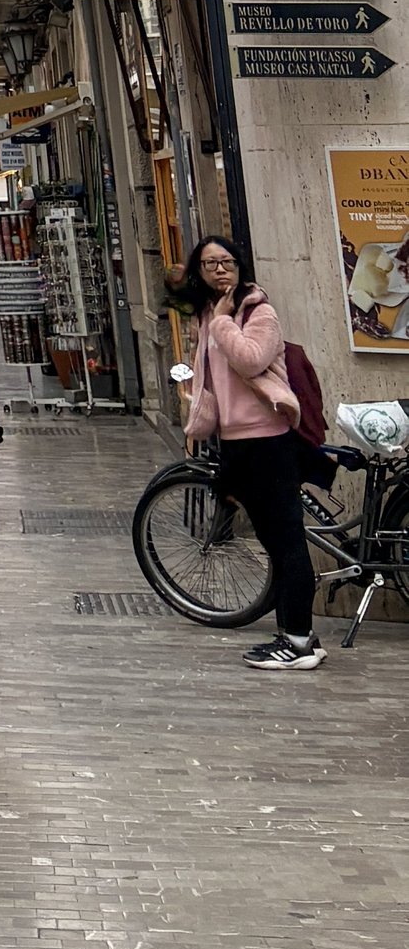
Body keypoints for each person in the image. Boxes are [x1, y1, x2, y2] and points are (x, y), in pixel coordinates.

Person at [179, 232, 322, 673]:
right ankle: (293, 635)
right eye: (210, 264)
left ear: (241, 266)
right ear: (198, 273)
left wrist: (224, 322)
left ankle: (299, 640)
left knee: (286, 541)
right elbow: (209, 379)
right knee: (271, 540)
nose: (220, 270)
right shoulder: (208, 313)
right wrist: (198, 425)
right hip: (237, 442)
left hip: (267, 439)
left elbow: (252, 360)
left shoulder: (258, 310)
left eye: (227, 262)